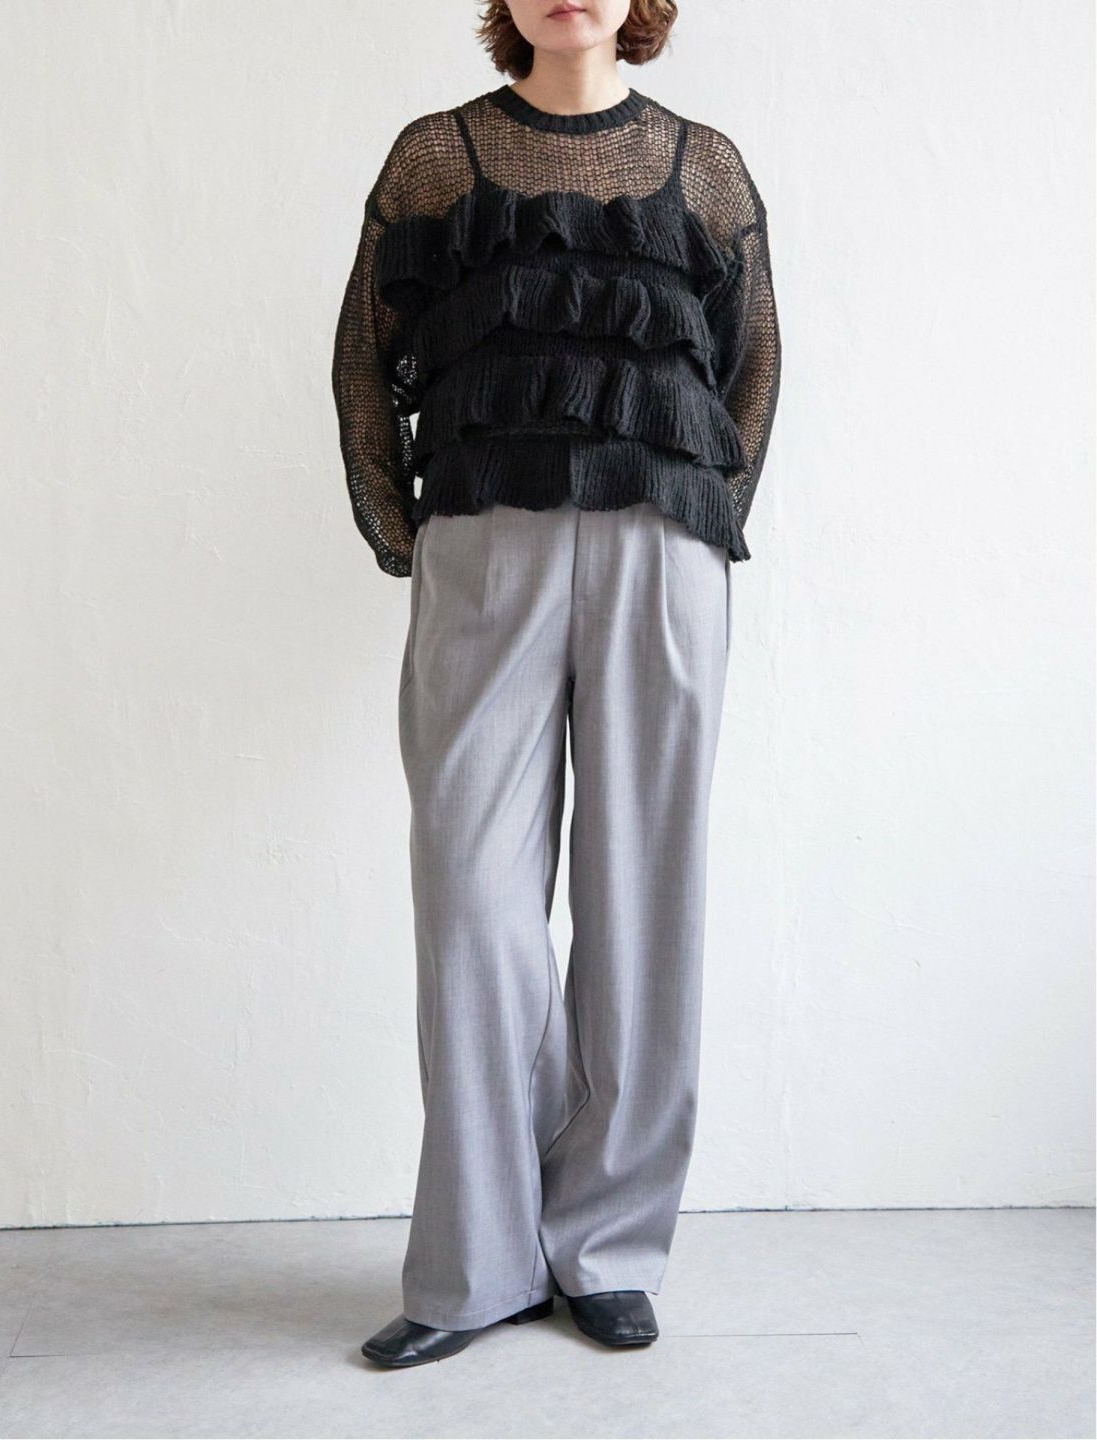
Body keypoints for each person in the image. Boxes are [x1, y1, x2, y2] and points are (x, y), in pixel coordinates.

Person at [330, 0, 781, 1368]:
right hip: (486, 538)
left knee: (644, 897)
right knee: (471, 901)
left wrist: (707, 517)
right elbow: (363, 357)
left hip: (662, 544)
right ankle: (476, 1264)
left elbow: (753, 366)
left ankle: (609, 1247)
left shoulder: (706, 166)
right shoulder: (436, 155)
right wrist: (406, 530)